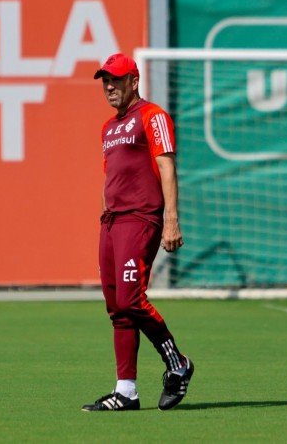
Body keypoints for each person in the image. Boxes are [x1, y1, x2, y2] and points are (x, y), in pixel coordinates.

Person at [82, 53, 194, 412]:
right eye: (105, 81)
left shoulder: (152, 116)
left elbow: (166, 165)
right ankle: (126, 391)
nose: (110, 87)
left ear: (134, 81)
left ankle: (177, 363)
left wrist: (171, 218)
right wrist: (104, 215)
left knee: (132, 299)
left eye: (116, 80)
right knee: (117, 308)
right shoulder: (108, 127)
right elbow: (110, 176)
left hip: (140, 218)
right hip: (112, 223)